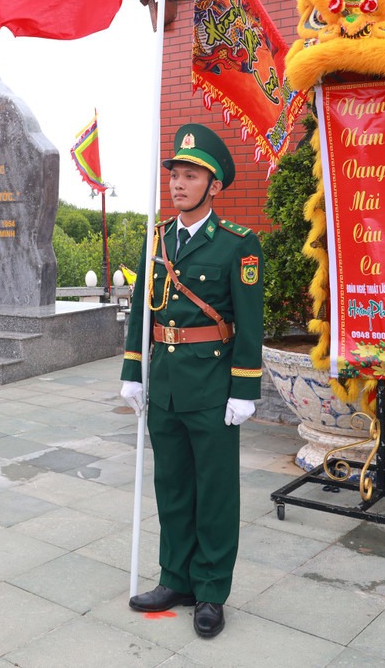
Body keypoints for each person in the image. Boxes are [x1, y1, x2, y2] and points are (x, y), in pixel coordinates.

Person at [121, 124, 263, 640]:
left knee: (215, 494)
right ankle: (175, 579)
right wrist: (134, 374)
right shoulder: (155, 239)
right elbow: (141, 312)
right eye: (175, 174)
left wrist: (245, 388)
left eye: (190, 175)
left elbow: (249, 320)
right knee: (173, 488)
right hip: (167, 387)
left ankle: (210, 591)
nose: (178, 184)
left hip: (213, 386)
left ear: (213, 184)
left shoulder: (237, 246)